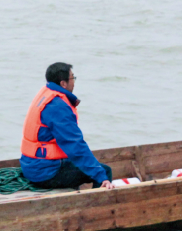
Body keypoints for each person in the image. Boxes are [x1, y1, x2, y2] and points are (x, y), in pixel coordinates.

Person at [19, 62, 113, 190]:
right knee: (104, 171)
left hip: (32, 165)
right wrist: (101, 176)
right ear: (63, 83)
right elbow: (75, 145)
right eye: (72, 78)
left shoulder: (46, 94)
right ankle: (94, 208)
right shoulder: (58, 107)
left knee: (84, 165)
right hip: (45, 173)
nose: (74, 81)